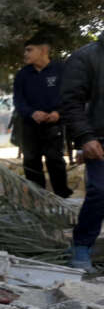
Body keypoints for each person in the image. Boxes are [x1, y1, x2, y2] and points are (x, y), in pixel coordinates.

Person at [62, 32, 104, 270]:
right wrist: (85, 137)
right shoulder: (85, 57)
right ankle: (82, 245)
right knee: (100, 191)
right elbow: (71, 102)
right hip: (98, 140)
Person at [13, 35, 69, 198]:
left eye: (30, 50)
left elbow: (69, 96)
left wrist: (59, 113)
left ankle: (62, 198)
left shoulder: (61, 70)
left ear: (44, 50)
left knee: (55, 160)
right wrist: (32, 113)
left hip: (54, 125)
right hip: (30, 126)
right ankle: (37, 199)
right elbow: (18, 101)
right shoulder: (22, 75)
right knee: (30, 161)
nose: (26, 54)